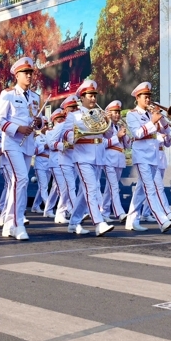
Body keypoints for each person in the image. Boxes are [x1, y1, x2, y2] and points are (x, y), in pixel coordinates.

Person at [56, 80, 115, 237]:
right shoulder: (74, 116)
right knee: (91, 188)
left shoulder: (98, 114)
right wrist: (76, 135)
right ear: (82, 97)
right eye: (90, 95)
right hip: (82, 156)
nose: (93, 99)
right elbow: (66, 135)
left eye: (95, 95)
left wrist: (108, 121)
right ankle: (98, 223)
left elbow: (108, 134)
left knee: (86, 191)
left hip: (98, 156)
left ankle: (74, 222)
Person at [0, 56, 43, 241]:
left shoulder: (36, 97)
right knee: (22, 179)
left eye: (31, 72)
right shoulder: (7, 94)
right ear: (17, 75)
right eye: (25, 72)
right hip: (12, 143)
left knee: (17, 182)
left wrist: (39, 122)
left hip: (28, 144)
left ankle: (8, 222)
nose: (29, 76)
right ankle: (17, 223)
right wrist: (17, 129)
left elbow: (39, 121)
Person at [124, 83, 171, 233]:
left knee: (141, 190)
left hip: (153, 156)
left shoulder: (149, 114)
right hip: (141, 155)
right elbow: (137, 133)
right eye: (145, 96)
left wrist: (162, 119)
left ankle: (131, 221)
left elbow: (166, 132)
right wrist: (152, 121)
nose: (149, 99)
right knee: (150, 188)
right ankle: (162, 219)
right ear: (137, 98)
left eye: (150, 96)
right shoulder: (132, 114)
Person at [101, 101, 128, 222]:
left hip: (119, 159)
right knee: (114, 186)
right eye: (115, 112)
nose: (117, 115)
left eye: (118, 112)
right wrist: (117, 136)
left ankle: (104, 212)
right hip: (108, 159)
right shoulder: (105, 126)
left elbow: (127, 146)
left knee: (109, 187)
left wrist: (125, 136)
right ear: (109, 113)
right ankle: (119, 212)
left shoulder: (118, 127)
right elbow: (103, 144)